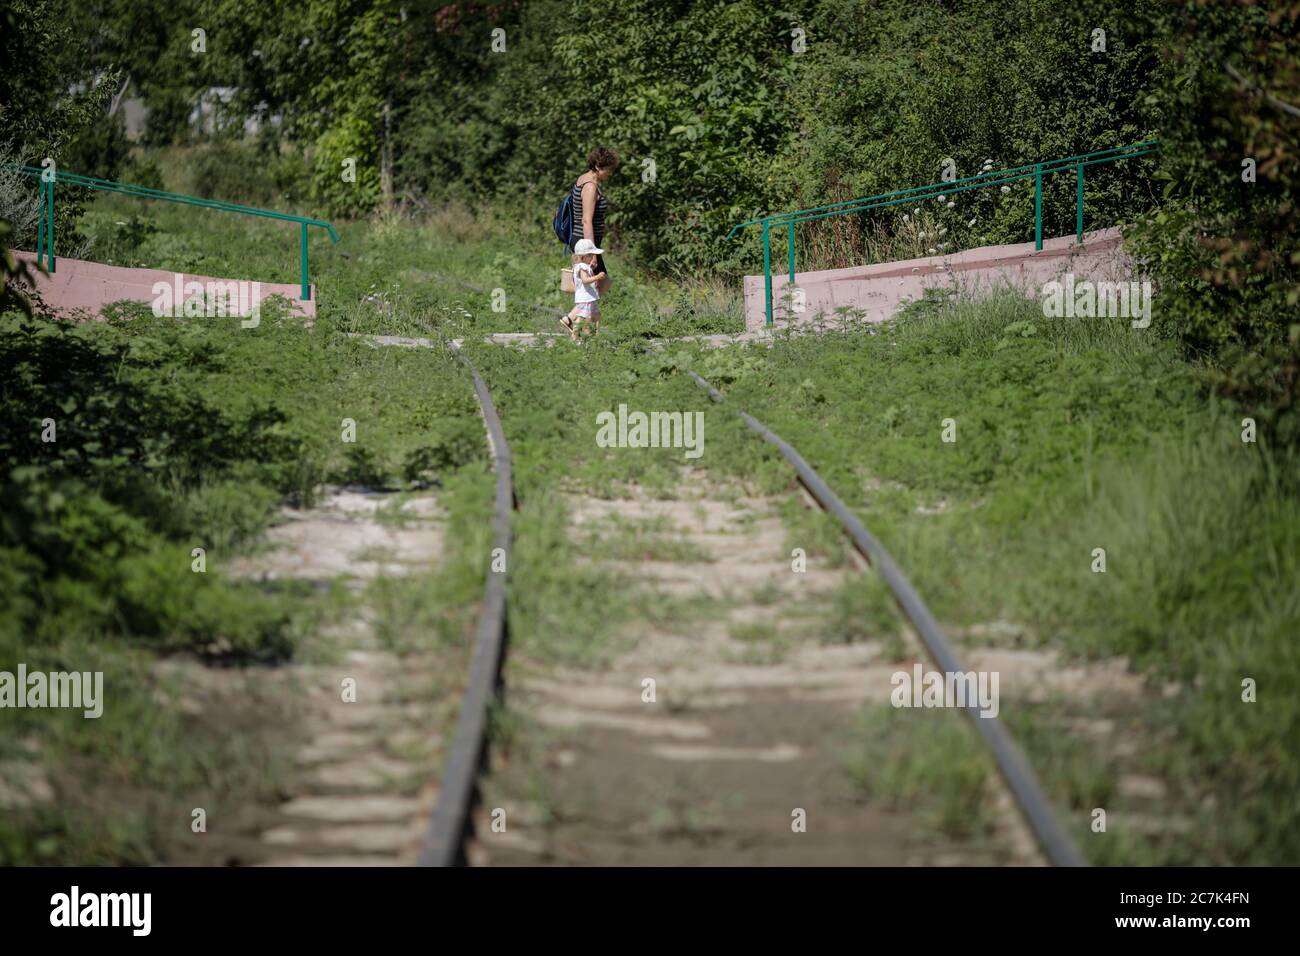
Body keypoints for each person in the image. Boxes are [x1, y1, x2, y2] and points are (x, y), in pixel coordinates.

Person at [566, 147, 618, 296]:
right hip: (584, 242)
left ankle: (578, 318)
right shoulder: (590, 187)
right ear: (597, 167)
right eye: (608, 169)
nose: (610, 173)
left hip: (579, 239)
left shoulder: (583, 178)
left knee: (589, 287)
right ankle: (570, 319)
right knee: (602, 284)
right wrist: (591, 252)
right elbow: (586, 220)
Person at [561, 238, 606, 339]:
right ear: (583, 257)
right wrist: (598, 276)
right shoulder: (582, 267)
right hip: (585, 298)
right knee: (582, 318)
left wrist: (592, 268)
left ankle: (596, 335)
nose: (592, 257)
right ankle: (577, 336)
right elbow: (585, 280)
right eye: (590, 255)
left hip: (589, 297)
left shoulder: (583, 266)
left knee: (597, 315)